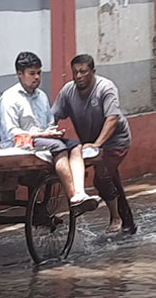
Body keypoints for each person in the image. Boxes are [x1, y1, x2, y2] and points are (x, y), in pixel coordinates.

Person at [0, 51, 99, 212]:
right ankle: (73, 195)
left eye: (39, 73)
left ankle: (80, 191)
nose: (37, 77)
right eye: (32, 74)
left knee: (75, 145)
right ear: (20, 74)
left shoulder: (41, 96)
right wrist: (43, 135)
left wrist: (51, 131)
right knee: (57, 147)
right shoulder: (9, 98)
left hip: (42, 140)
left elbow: (48, 123)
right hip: (19, 143)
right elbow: (12, 133)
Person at [53, 54, 135, 234]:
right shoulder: (68, 91)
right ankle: (129, 222)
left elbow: (112, 119)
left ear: (93, 72)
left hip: (115, 141)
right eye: (75, 72)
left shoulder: (105, 88)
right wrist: (45, 132)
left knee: (103, 177)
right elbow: (54, 115)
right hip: (89, 144)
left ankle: (115, 217)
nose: (79, 76)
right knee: (112, 179)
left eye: (83, 72)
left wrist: (98, 144)